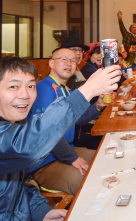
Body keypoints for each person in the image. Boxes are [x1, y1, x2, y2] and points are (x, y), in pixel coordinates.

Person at [0, 57, 121, 221]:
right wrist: (86, 92)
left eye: (31, 86)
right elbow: (25, 148)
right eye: (14, 87)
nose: (25, 95)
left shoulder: (12, 122)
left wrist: (42, 211)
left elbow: (17, 184)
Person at [28, 48, 105, 195]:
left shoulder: (66, 89)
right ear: (51, 63)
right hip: (44, 162)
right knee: (87, 183)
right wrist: (73, 157)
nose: (69, 64)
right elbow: (47, 132)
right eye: (64, 59)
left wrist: (98, 106)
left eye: (73, 61)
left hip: (66, 151)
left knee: (104, 158)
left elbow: (78, 119)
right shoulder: (43, 89)